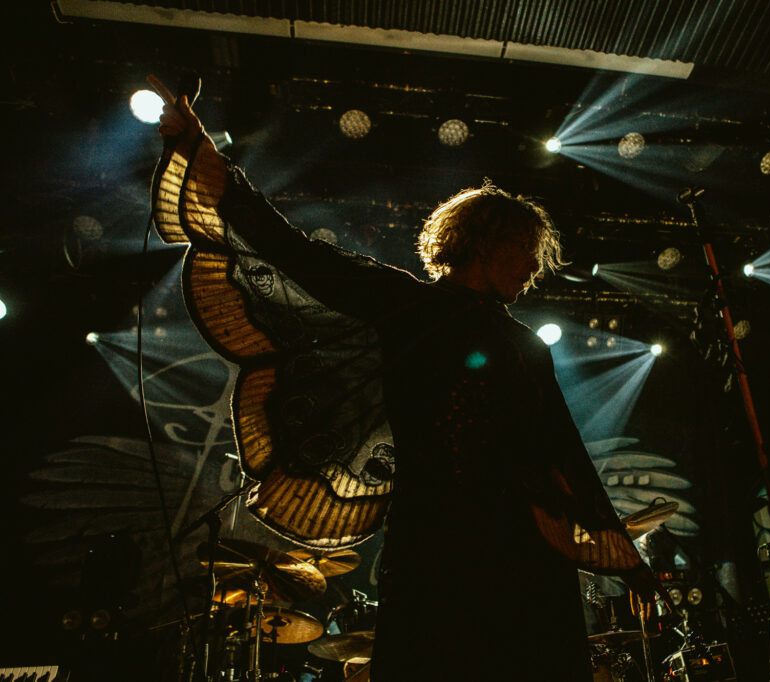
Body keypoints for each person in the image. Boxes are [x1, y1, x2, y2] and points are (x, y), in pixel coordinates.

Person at [150, 76, 663, 681]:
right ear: (483, 244)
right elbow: (293, 252)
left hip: (519, 556)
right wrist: (202, 152)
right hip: (437, 549)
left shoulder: (525, 345)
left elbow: (562, 452)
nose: (532, 267)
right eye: (525, 248)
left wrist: (624, 557)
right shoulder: (408, 306)